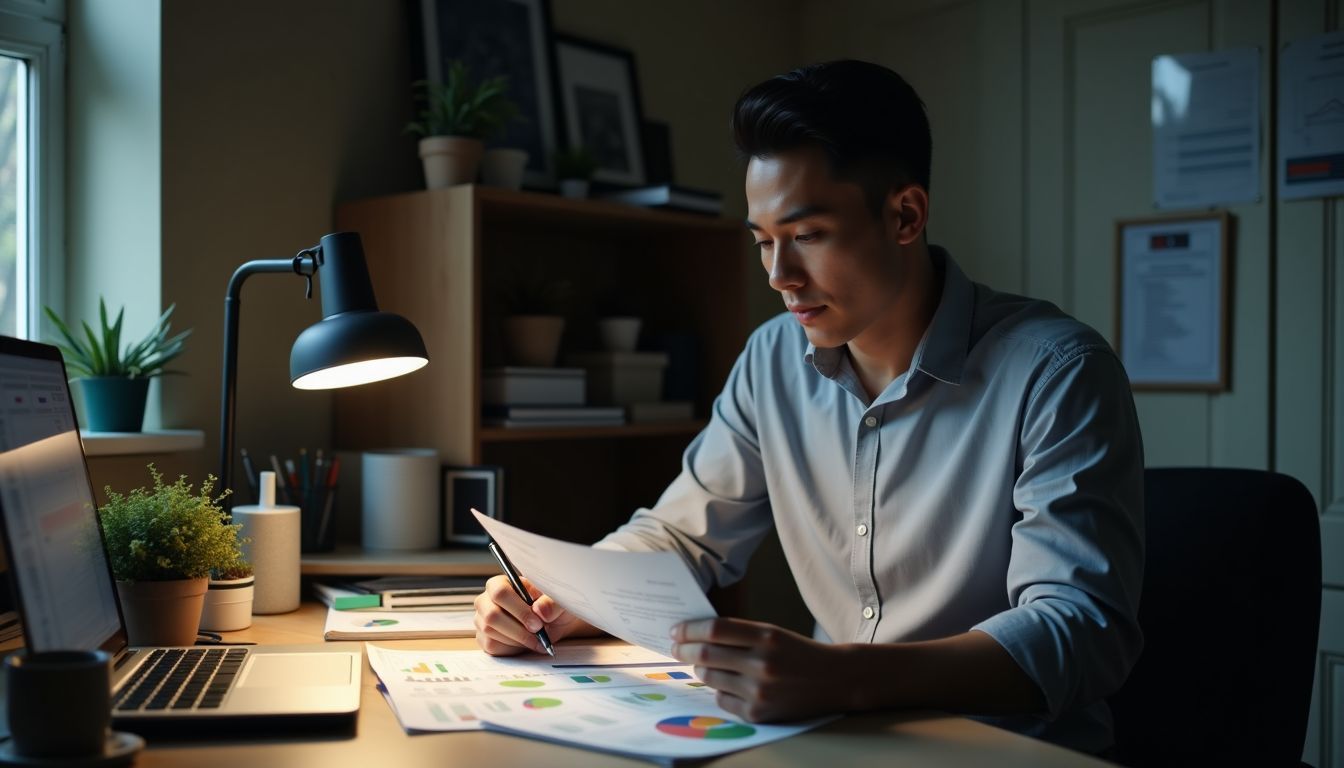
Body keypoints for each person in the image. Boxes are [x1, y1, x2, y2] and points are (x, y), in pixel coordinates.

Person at [472, 59, 1144, 756]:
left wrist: (845, 677)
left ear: (906, 215)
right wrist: (560, 597)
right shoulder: (773, 359)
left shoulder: (1057, 371)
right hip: (836, 739)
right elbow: (683, 537)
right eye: (763, 241)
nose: (779, 277)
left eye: (808, 235)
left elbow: (1080, 630)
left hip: (1007, 752)